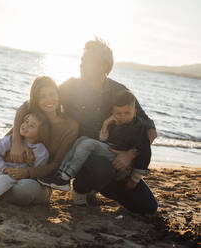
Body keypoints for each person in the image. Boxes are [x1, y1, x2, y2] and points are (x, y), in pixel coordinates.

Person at [53, 38, 158, 214]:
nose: (81, 64)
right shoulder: (71, 87)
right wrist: (16, 139)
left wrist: (130, 154)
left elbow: (149, 130)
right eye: (81, 60)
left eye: (86, 61)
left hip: (117, 165)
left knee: (148, 207)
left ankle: (96, 188)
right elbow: (37, 103)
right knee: (101, 167)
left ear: (102, 65)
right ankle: (81, 189)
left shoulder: (120, 92)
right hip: (83, 160)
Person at [0, 76, 79, 206]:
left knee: (23, 191)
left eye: (52, 94)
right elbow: (4, 145)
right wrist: (17, 145)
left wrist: (27, 172)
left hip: (37, 181)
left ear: (58, 94)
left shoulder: (70, 126)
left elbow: (56, 164)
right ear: (36, 100)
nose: (49, 100)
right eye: (42, 96)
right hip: (9, 172)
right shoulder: (31, 117)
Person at [38, 90, 151, 206]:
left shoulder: (139, 127)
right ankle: (60, 175)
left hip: (122, 165)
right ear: (113, 112)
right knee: (82, 140)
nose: (122, 117)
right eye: (119, 113)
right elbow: (103, 141)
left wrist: (135, 179)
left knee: (88, 144)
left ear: (135, 112)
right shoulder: (113, 122)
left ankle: (65, 178)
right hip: (110, 152)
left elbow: (146, 152)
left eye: (127, 113)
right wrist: (105, 125)